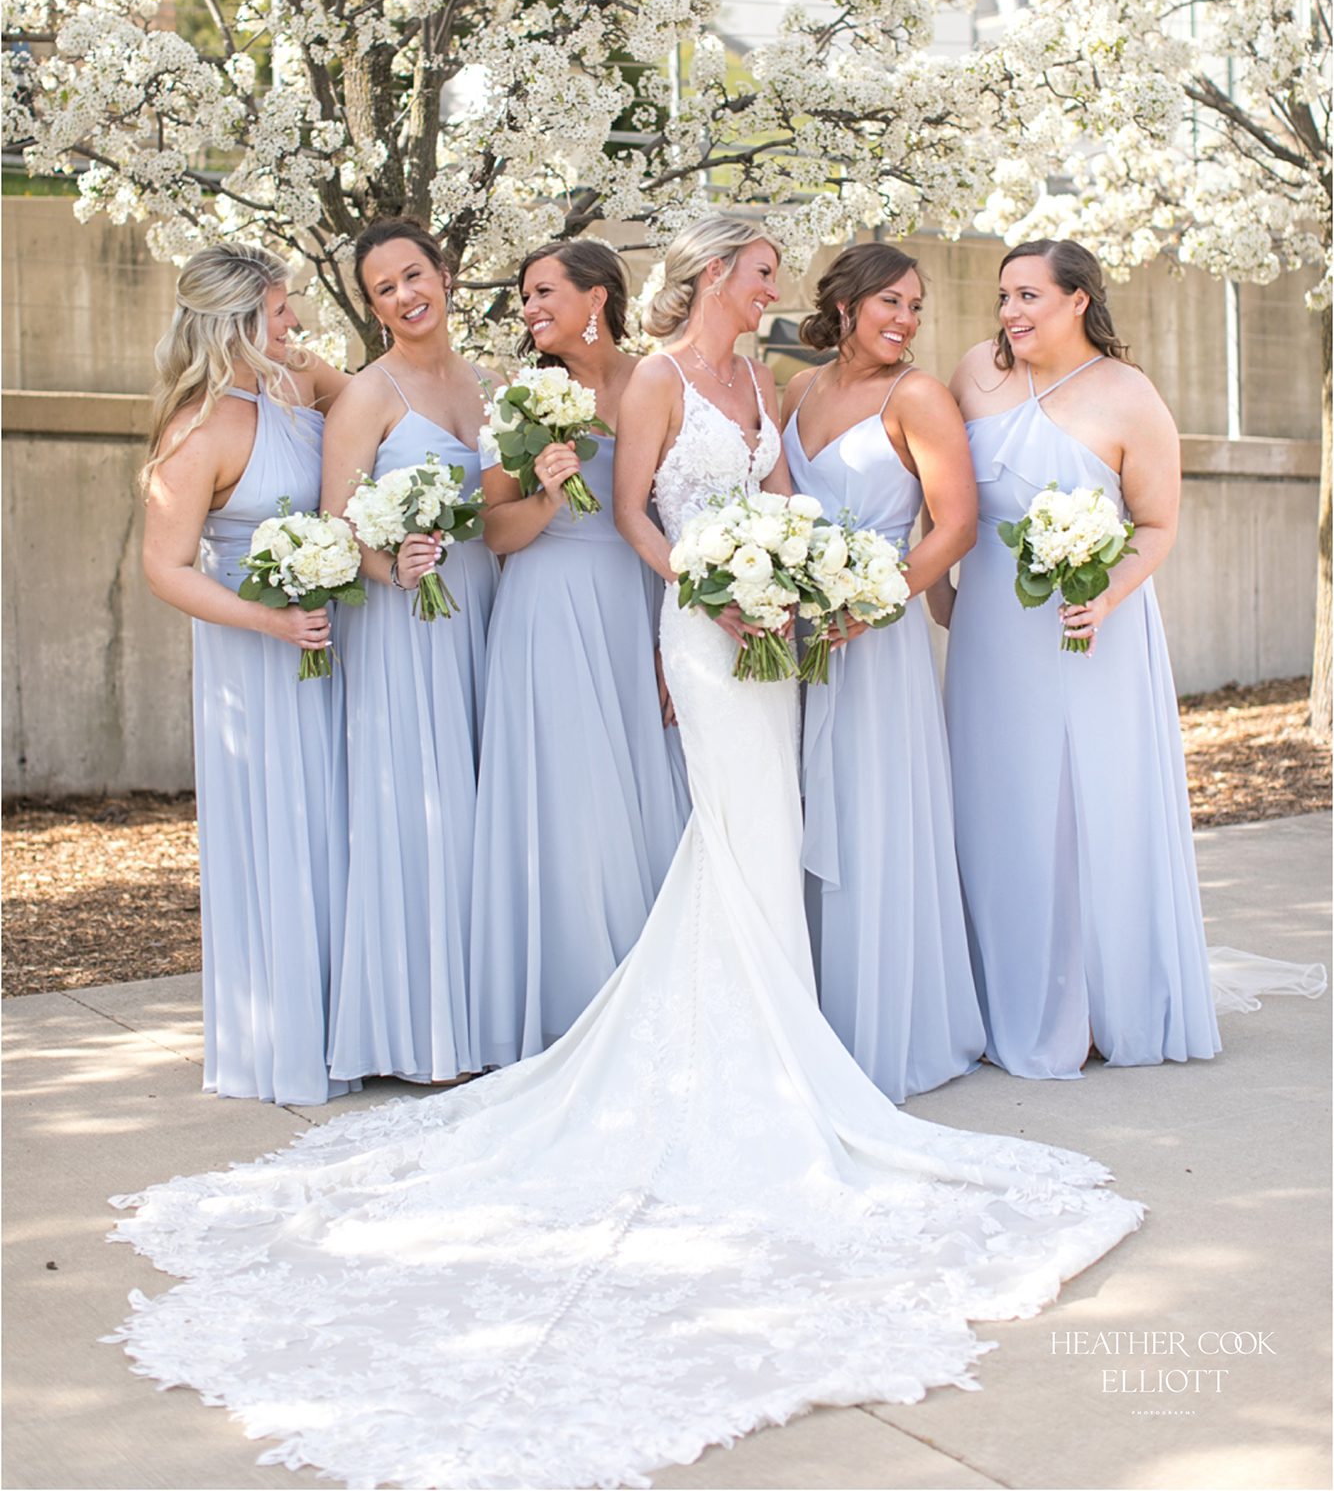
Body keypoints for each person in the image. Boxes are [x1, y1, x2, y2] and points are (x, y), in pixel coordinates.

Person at [111, 216, 1141, 1491]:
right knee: (731, 820)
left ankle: (765, 1026)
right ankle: (746, 1042)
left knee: (752, 828)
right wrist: (702, 593)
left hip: (768, 616)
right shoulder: (641, 377)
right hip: (702, 626)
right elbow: (637, 510)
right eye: (763, 269)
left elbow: (772, 493)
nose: (781, 288)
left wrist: (798, 573)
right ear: (718, 273)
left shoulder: (758, 380)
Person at [942, 237, 1222, 1077]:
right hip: (992, 624)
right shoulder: (972, 375)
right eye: (1003, 297)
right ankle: (1001, 999)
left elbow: (1158, 525)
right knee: (995, 799)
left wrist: (1106, 593)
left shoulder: (1130, 397)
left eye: (1029, 296)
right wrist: (934, 584)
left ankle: (1094, 1002)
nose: (1011, 313)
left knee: (1079, 805)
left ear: (1077, 300)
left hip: (1090, 628)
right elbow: (943, 491)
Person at [140, 243, 351, 1106]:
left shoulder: (294, 384)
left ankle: (348, 1019)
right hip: (252, 652)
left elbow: (356, 400)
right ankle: (282, 1037)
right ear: (235, 322)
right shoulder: (196, 429)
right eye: (279, 311)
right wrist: (269, 619)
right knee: (276, 826)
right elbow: (166, 566)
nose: (294, 320)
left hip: (325, 641)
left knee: (333, 819)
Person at [469, 240, 688, 1067]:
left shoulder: (654, 382)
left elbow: (673, 511)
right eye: (525, 296)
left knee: (641, 782)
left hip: (636, 597)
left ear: (597, 297)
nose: (528, 308)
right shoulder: (518, 396)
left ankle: (656, 996)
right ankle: (572, 1004)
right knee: (568, 793)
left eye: (543, 292)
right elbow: (496, 533)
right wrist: (549, 493)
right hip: (547, 603)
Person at [782, 241, 985, 1100]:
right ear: (846, 305)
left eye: (915, 307)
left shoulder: (921, 397)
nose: (905, 321)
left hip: (878, 634)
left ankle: (890, 1021)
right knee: (800, 801)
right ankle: (814, 1016)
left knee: (875, 808)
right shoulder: (798, 390)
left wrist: (875, 601)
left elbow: (956, 526)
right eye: (890, 303)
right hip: (797, 636)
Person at [320, 218, 498, 1086]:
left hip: (486, 607)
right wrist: (394, 566)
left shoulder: (490, 382)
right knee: (423, 808)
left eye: (414, 275)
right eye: (383, 288)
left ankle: (489, 1006)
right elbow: (336, 522)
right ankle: (423, 1032)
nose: (403, 296)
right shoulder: (369, 394)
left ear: (447, 275)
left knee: (485, 802)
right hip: (408, 623)